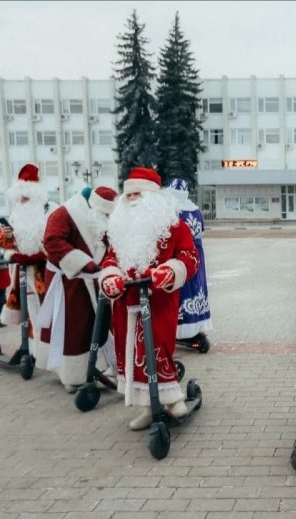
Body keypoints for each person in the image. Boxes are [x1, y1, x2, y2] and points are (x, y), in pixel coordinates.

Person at [98, 167, 199, 431]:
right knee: (132, 353)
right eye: (127, 194)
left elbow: (190, 258)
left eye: (136, 194)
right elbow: (110, 258)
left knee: (158, 348)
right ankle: (147, 405)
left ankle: (173, 398)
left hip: (158, 301)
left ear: (152, 197)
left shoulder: (174, 227)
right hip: (125, 303)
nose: (130, 200)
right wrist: (109, 276)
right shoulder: (118, 229)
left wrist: (171, 271)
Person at [38, 186, 118, 393]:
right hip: (69, 280)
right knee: (72, 327)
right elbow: (53, 241)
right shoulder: (65, 213)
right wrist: (83, 263)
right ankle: (71, 375)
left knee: (94, 325)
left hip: (93, 280)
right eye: (105, 214)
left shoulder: (102, 219)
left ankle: (98, 367)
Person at [0, 163, 58, 368]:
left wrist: (40, 255)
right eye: (20, 199)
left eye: (26, 198)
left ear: (35, 196)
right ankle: (34, 352)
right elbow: (4, 242)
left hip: (45, 273)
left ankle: (49, 353)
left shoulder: (50, 213)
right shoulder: (16, 216)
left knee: (47, 313)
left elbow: (55, 242)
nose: (22, 202)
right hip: (22, 272)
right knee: (30, 313)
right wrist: (8, 241)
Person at [163, 178, 213, 343]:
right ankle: (197, 325)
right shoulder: (196, 210)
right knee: (197, 289)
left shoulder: (173, 211)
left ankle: (181, 329)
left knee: (182, 289)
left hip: (180, 256)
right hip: (198, 254)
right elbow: (202, 233)